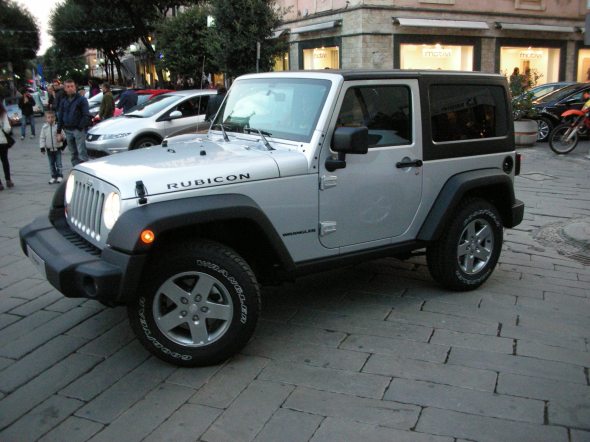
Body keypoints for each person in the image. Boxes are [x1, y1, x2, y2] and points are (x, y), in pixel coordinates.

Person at [57, 78, 90, 166]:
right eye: (68, 87)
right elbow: (60, 116)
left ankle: (84, 170)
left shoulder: (81, 100)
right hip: (67, 130)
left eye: (72, 86)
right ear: (65, 88)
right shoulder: (64, 101)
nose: (70, 88)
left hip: (78, 129)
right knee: (73, 153)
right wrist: (58, 131)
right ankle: (75, 170)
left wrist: (80, 127)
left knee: (82, 152)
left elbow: (86, 115)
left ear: (75, 87)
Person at [39, 110, 64, 184]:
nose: (50, 119)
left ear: (55, 118)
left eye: (52, 117)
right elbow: (42, 138)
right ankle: (53, 176)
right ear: (46, 119)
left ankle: (60, 175)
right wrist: (42, 148)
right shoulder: (44, 128)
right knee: (51, 163)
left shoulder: (58, 126)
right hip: (49, 149)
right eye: (48, 117)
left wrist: (61, 138)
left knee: (59, 163)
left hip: (57, 148)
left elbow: (63, 135)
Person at [0, 101, 14, 190]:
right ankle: (8, 180)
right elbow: (7, 128)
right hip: (2, 141)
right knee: (5, 160)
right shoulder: (3, 113)